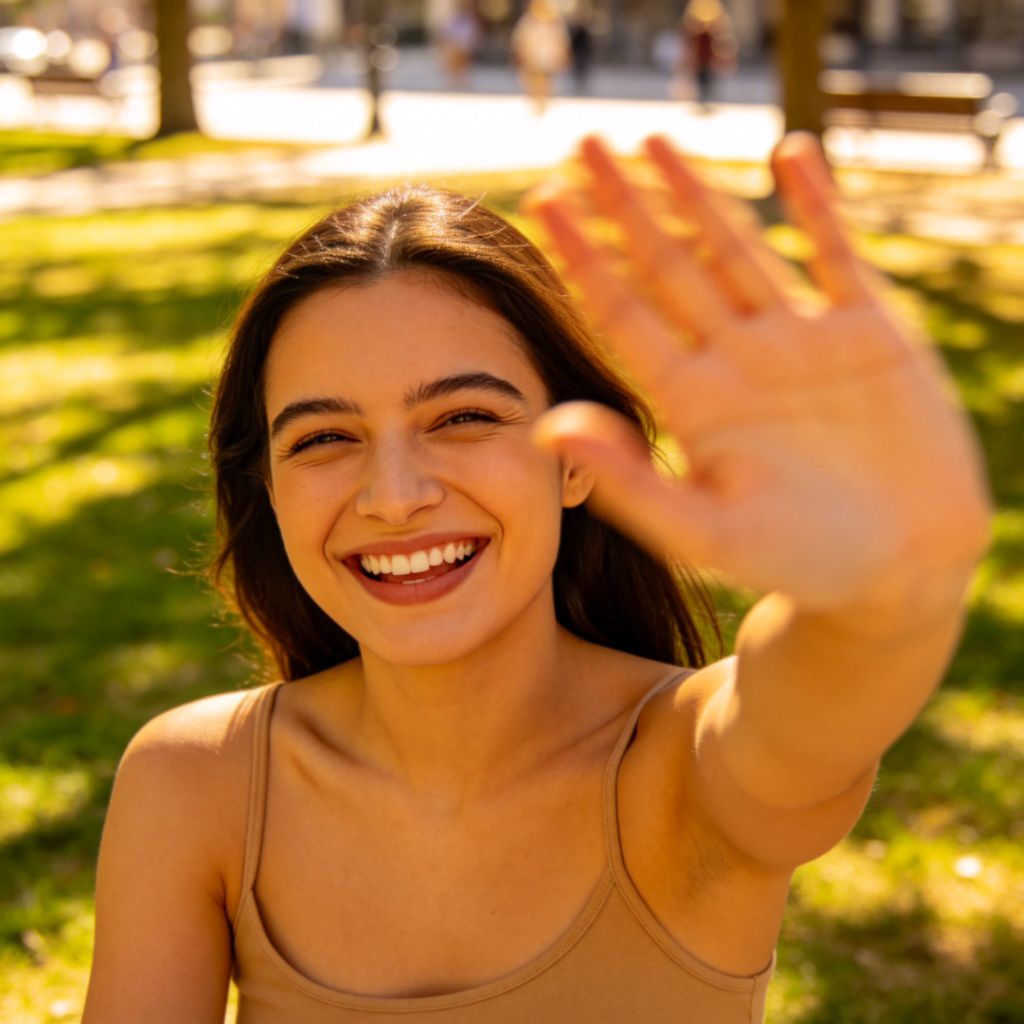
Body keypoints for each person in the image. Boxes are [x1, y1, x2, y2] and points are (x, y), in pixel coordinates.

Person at [82, 133, 989, 1023]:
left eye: (464, 416)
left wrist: (882, 590)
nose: (393, 497)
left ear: (575, 460)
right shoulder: (196, 784)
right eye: (324, 438)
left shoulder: (682, 774)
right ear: (269, 491)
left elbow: (817, 707)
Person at [510, 0, 570, 113]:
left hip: (549, 57)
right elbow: (520, 40)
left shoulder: (556, 23)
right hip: (532, 57)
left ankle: (544, 104)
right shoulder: (527, 22)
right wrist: (519, 55)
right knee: (534, 81)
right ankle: (535, 103)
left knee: (546, 81)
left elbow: (562, 41)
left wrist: (563, 55)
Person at [677, 0, 736, 107]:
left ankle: (705, 98)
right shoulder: (696, 29)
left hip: (707, 58)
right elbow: (690, 44)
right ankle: (703, 98)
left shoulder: (710, 29)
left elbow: (720, 43)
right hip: (701, 58)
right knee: (702, 79)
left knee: (707, 79)